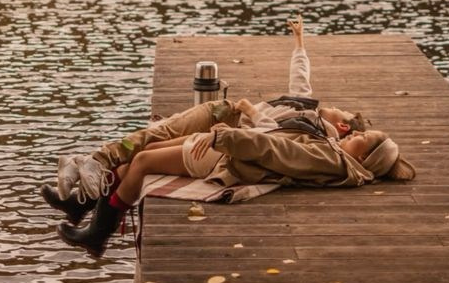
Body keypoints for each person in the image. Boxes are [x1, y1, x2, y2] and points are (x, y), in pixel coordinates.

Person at [43, 18, 416, 256]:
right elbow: (297, 92)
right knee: (144, 153)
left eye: (361, 137)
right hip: (232, 143)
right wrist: (300, 43)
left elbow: (274, 146)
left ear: (362, 154)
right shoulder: (332, 149)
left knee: (141, 160)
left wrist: (226, 135)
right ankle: (86, 211)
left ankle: (97, 235)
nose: (354, 132)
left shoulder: (332, 157)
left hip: (229, 152)